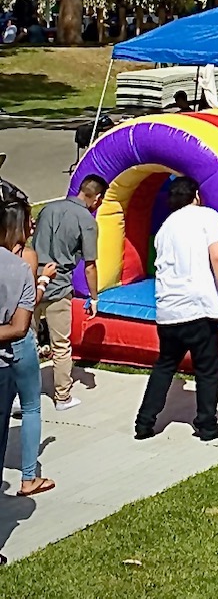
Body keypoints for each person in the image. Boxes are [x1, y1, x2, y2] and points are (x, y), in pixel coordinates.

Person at [134, 176, 218, 440]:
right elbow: (217, 256)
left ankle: (144, 422)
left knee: (165, 365)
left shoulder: (165, 227)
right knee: (208, 368)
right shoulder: (206, 216)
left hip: (168, 309)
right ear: (196, 196)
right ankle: (207, 424)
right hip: (198, 306)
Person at [31, 173, 107, 411]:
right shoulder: (86, 220)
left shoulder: (48, 209)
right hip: (59, 286)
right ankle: (62, 396)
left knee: (27, 343)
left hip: (33, 281)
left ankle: (20, 395)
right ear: (97, 198)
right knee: (61, 345)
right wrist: (94, 297)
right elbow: (90, 264)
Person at [3, 188, 55, 494]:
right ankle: (28, 476)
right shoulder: (27, 257)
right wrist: (44, 279)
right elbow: (29, 301)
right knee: (32, 406)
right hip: (19, 342)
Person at [0, 192, 36, 562]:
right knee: (30, 407)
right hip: (4, 364)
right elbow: (19, 327)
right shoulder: (20, 269)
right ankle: (29, 473)